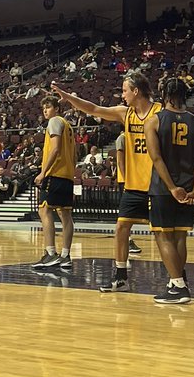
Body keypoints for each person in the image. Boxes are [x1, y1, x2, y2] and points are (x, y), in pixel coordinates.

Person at [51, 72, 157, 293]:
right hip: (133, 185)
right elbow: (93, 109)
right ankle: (120, 277)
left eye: (125, 90)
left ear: (136, 91)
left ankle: (177, 278)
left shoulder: (159, 113)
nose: (122, 95)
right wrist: (68, 97)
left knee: (163, 234)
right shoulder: (125, 113)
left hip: (156, 184)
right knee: (121, 227)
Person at [144, 78, 194, 304]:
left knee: (163, 235)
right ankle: (177, 281)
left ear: (164, 94)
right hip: (189, 185)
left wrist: (171, 187)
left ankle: (178, 286)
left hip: (164, 188)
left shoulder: (154, 121)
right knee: (180, 236)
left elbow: (156, 158)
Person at [31, 94, 76, 273]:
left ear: (57, 108)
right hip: (67, 175)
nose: (45, 111)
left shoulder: (54, 122)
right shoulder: (68, 126)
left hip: (55, 174)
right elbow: (74, 153)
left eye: (48, 107)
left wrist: (43, 172)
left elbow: (56, 148)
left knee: (44, 210)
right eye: (44, 108)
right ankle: (65, 256)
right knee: (65, 215)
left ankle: (50, 252)